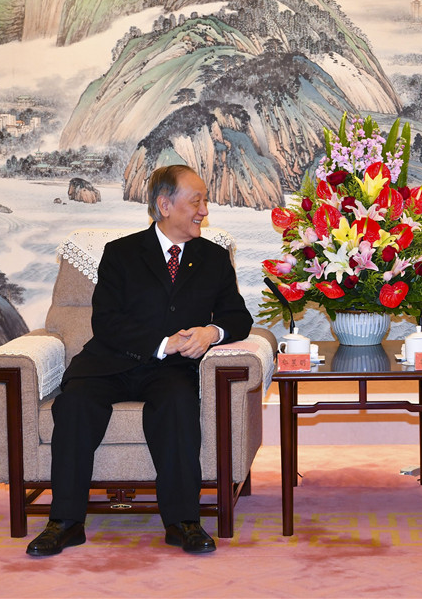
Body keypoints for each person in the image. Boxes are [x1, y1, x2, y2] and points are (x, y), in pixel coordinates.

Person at [26, 165, 253, 556]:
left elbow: (238, 317)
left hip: (171, 370)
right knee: (75, 404)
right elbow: (106, 321)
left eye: (204, 201)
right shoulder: (121, 253)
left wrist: (211, 333)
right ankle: (65, 522)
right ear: (165, 205)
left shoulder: (213, 258)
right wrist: (162, 343)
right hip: (110, 362)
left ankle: (183, 522)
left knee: (179, 404)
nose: (204, 210)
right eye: (196, 201)